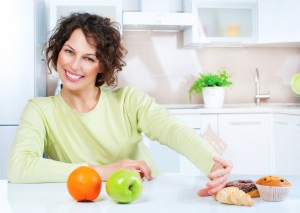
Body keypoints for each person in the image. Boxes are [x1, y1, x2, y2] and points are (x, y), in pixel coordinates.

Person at [8, 12, 232, 196]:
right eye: (69, 51)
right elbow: (19, 168)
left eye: (89, 58)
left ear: (102, 66)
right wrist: (103, 171)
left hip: (146, 196)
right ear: (58, 52)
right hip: (88, 203)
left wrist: (212, 164)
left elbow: (172, 130)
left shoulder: (128, 101)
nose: (74, 65)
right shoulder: (39, 110)